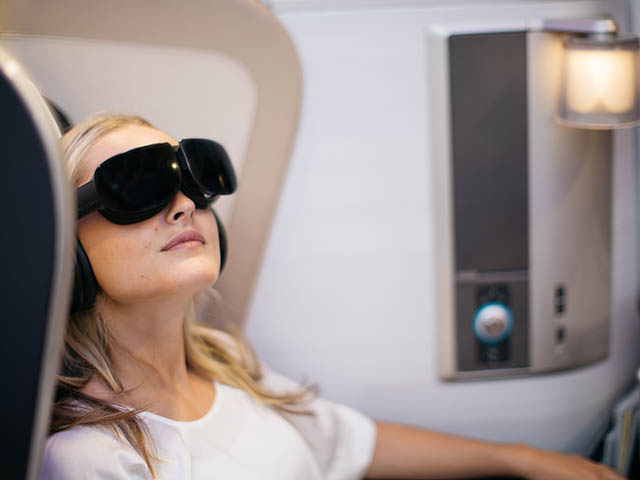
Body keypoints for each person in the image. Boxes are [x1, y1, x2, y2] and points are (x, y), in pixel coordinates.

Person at [41, 113, 624, 480]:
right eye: (139, 185)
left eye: (193, 181)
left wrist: (524, 459)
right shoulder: (88, 457)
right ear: (67, 247)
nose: (186, 205)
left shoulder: (226, 363)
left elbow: (348, 443)